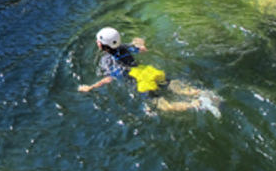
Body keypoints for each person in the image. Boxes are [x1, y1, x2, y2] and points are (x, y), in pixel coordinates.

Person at [79, 27, 219, 114]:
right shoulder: (125, 47)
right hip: (148, 71)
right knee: (170, 84)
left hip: (140, 82)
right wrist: (139, 41)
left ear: (102, 46)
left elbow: (109, 78)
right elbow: (142, 49)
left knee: (163, 105)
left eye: (98, 41)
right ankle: (204, 94)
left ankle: (197, 104)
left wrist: (91, 87)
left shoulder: (105, 61)